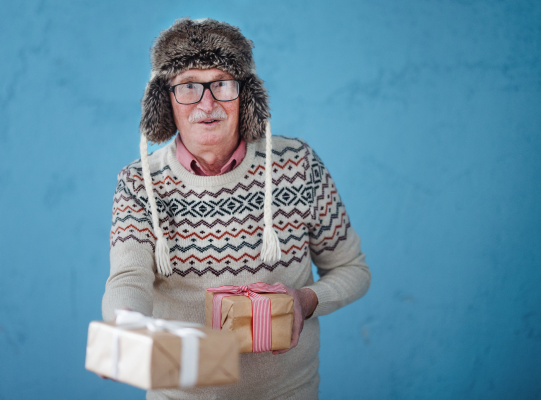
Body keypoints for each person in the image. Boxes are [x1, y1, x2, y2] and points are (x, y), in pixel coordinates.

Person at [102, 18, 370, 400]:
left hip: (288, 392)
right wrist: (126, 323)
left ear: (247, 95)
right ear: (166, 100)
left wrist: (308, 300)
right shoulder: (138, 182)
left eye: (222, 84)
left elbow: (352, 268)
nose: (206, 104)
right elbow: (127, 277)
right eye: (189, 86)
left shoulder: (298, 165)